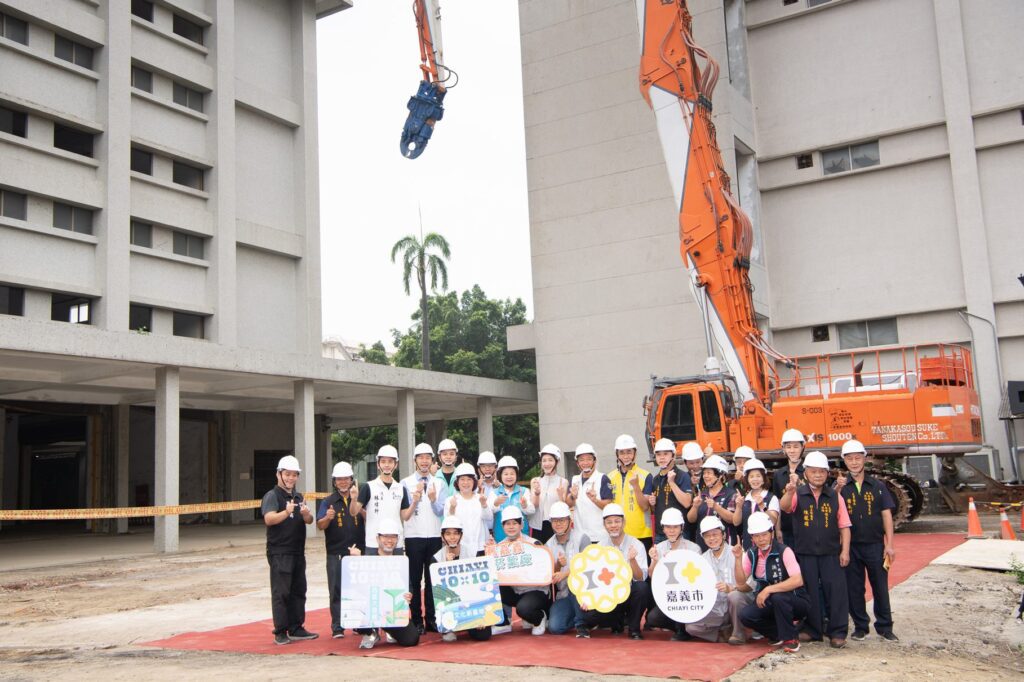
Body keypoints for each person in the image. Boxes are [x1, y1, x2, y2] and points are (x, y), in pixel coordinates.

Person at [779, 450, 851, 648]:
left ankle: (837, 632)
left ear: (828, 474)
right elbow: (784, 507)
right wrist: (790, 490)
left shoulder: (835, 497)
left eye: (822, 471)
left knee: (836, 591)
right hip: (805, 552)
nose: (818, 475)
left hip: (831, 553)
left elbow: (844, 526)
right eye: (813, 471)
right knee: (809, 592)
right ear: (806, 474)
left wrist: (845, 551)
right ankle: (812, 629)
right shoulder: (798, 494)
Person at [839, 439, 898, 642]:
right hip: (851, 546)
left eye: (857, 458)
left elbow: (886, 515)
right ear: (844, 461)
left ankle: (885, 626)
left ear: (865, 458)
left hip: (874, 545)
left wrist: (889, 544)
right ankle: (860, 626)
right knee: (854, 588)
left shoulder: (878, 486)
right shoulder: (840, 487)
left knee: (880, 586)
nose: (854, 462)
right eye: (849, 459)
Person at [261, 454, 318, 645]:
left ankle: (296, 627)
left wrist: (307, 514)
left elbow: (309, 521)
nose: (290, 478)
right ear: (279, 474)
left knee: (298, 590)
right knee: (281, 592)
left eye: (294, 475)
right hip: (279, 551)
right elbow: (268, 519)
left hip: (297, 551)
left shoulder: (298, 496)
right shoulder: (272, 495)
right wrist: (285, 512)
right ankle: (280, 631)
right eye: (287, 474)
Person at [737, 511, 810, 653]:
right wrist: (738, 559)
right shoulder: (751, 554)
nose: (761, 539)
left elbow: (798, 580)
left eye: (764, 534)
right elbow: (740, 582)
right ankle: (778, 633)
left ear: (771, 533)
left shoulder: (784, 551)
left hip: (795, 600)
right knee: (746, 615)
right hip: (770, 602)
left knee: (778, 597)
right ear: (752, 537)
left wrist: (768, 589)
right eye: (756, 536)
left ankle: (790, 639)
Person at [584, 503, 650, 640]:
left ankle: (634, 629)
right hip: (610, 596)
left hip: (630, 593)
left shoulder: (637, 544)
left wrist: (633, 561)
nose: (613, 525)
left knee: (642, 588)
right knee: (589, 617)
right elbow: (593, 578)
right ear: (604, 525)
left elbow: (641, 578)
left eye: (617, 521)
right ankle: (617, 622)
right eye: (609, 522)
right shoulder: (600, 546)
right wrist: (587, 598)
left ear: (624, 522)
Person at [316, 461, 365, 639]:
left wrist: (356, 501)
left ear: (352, 480)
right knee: (336, 589)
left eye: (346, 479)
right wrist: (328, 518)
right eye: (339, 479)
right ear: (334, 481)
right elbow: (320, 525)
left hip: (359, 551)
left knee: (359, 589)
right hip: (336, 552)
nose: (343, 482)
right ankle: (337, 626)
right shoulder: (328, 501)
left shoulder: (360, 498)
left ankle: (360, 623)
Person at [401, 442, 447, 634]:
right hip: (414, 536)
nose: (425, 461)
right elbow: (405, 513)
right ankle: (417, 621)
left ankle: (432, 619)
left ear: (432, 460)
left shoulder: (440, 483)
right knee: (414, 579)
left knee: (432, 580)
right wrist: (416, 497)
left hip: (435, 536)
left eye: (428, 457)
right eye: (421, 457)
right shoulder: (405, 483)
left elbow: (441, 511)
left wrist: (434, 498)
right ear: (415, 461)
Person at [355, 519, 421, 650]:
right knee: (353, 606)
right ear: (378, 538)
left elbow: (409, 586)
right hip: (371, 610)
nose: (389, 540)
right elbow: (352, 586)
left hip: (392, 612)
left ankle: (389, 630)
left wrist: (409, 595)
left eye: (393, 537)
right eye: (385, 536)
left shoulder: (401, 562)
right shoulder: (366, 561)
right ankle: (369, 632)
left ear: (397, 540)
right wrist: (354, 562)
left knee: (411, 639)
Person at [687, 517, 754, 643]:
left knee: (734, 596)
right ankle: (723, 633)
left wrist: (732, 588)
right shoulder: (703, 559)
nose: (712, 539)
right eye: (707, 536)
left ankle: (738, 632)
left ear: (723, 534)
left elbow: (750, 585)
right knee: (691, 628)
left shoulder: (737, 552)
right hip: (717, 609)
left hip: (737, 605)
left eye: (715, 534)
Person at [431, 516, 492, 642]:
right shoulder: (436, 558)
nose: (452, 537)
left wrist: (481, 615)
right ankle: (449, 627)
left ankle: (468, 624)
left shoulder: (472, 554)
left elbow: (480, 585)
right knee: (449, 638)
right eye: (448, 534)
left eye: (455, 533)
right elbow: (436, 592)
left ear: (461, 536)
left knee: (483, 635)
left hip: (469, 604)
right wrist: (446, 565)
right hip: (449, 603)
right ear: (442, 537)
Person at [493, 506, 551, 635]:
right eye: (508, 524)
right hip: (516, 590)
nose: (511, 527)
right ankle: (504, 622)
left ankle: (539, 617)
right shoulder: (499, 547)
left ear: (521, 525)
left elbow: (544, 571)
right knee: (491, 587)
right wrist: (489, 553)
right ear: (503, 526)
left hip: (536, 590)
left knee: (523, 609)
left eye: (515, 523)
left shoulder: (534, 544)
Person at [645, 508, 701, 641]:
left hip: (688, 597)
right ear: (663, 529)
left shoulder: (694, 548)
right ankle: (678, 627)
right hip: (669, 597)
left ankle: (684, 629)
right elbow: (652, 576)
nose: (671, 530)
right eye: (668, 527)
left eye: (675, 527)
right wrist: (654, 560)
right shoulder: (658, 548)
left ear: (682, 528)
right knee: (652, 618)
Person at [350, 445, 413, 555]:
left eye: (390, 461)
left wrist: (416, 501)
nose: (387, 465)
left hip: (395, 543)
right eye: (383, 461)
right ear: (378, 464)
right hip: (373, 543)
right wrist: (354, 499)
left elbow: (405, 517)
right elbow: (354, 512)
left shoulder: (401, 488)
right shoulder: (368, 487)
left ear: (396, 464)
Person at [545, 501, 591, 637]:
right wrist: (558, 565)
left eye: (562, 520)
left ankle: (582, 624)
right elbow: (551, 573)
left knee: (574, 583)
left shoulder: (583, 538)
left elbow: (587, 566)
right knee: (555, 627)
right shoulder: (548, 544)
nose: (558, 524)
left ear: (569, 520)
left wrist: (565, 574)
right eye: (555, 521)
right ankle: (583, 618)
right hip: (563, 595)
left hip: (583, 593)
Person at [607, 434, 653, 550]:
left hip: (641, 534)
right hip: (617, 534)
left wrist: (636, 486)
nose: (626, 456)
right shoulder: (609, 477)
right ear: (616, 454)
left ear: (635, 453)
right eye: (622, 452)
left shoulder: (645, 476)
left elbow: (645, 507)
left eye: (629, 452)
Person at [643, 438, 693, 544]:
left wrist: (672, 483)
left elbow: (687, 503)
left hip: (680, 532)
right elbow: (658, 507)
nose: (662, 458)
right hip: (660, 533)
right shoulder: (655, 479)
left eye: (665, 454)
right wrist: (652, 504)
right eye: (658, 454)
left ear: (673, 456)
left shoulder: (682, 476)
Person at [686, 455, 739, 551]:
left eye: (709, 473)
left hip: (725, 546)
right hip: (703, 546)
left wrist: (715, 506)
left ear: (720, 475)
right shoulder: (701, 494)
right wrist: (695, 507)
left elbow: (733, 519)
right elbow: (691, 519)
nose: (705, 476)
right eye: (704, 473)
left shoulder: (731, 494)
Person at [566, 443, 613, 544]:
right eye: (581, 460)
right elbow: (568, 504)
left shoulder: (602, 478)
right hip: (579, 536)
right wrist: (572, 496)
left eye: (589, 459)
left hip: (599, 536)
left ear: (594, 461)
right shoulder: (575, 479)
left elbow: (609, 506)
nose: (585, 463)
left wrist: (595, 500)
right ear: (577, 463)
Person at [732, 459, 780, 550]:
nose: (755, 479)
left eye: (758, 476)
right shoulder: (745, 498)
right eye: (751, 476)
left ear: (763, 479)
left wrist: (763, 506)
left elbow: (774, 521)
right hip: (748, 546)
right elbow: (736, 522)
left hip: (767, 548)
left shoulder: (771, 498)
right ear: (747, 480)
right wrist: (738, 507)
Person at [445, 462, 493, 555]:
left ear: (474, 481)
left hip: (481, 546)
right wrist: (452, 507)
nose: (465, 483)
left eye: (469, 479)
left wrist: (483, 504)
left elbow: (489, 518)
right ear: (457, 482)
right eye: (462, 479)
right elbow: (448, 523)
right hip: (460, 548)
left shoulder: (480, 497)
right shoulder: (450, 500)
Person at [488, 456, 536, 542]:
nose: (509, 477)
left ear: (516, 475)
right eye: (506, 474)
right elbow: (487, 513)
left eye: (512, 473)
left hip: (522, 538)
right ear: (500, 475)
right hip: (500, 537)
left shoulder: (524, 491)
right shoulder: (494, 493)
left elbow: (532, 511)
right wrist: (495, 503)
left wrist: (525, 505)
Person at [772, 429, 806, 547]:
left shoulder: (810, 471)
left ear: (803, 447)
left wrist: (800, 485)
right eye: (788, 447)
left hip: (807, 528)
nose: (792, 450)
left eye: (796, 446)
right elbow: (776, 504)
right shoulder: (778, 474)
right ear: (783, 449)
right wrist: (778, 529)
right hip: (787, 530)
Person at [528, 443, 568, 543]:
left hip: (555, 525)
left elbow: (564, 508)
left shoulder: (563, 482)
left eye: (550, 460)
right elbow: (534, 505)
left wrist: (560, 496)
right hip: (537, 525)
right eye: (544, 460)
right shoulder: (535, 481)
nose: (547, 463)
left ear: (557, 462)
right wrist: (537, 493)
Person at [680, 441, 705, 542]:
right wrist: (691, 485)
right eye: (691, 463)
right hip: (690, 525)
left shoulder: (710, 475)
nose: (695, 466)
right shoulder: (683, 477)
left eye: (698, 462)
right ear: (685, 463)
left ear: (703, 460)